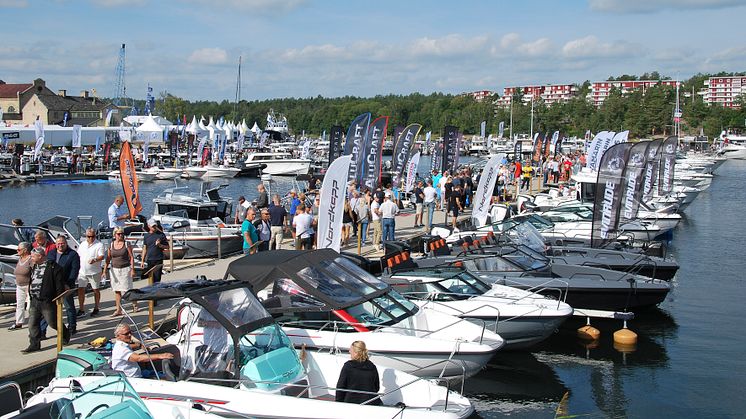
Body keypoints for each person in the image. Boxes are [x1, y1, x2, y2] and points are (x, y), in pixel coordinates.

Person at [21, 248, 70, 353]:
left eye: (34, 256)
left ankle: (65, 333)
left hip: (47, 301)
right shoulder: (34, 266)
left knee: (52, 322)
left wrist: (59, 297)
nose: (31, 258)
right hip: (35, 300)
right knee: (32, 323)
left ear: (40, 256)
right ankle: (34, 344)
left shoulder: (54, 267)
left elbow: (59, 285)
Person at [48, 235, 80, 335]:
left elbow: (74, 271)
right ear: (55, 244)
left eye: (62, 243)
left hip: (66, 285)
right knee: (48, 308)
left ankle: (72, 327)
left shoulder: (72, 254)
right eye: (58, 244)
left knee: (69, 307)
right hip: (52, 285)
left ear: (66, 243)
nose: (60, 245)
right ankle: (43, 331)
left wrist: (68, 284)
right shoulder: (51, 253)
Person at [335, 341, 381, 405]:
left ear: (355, 352)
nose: (349, 352)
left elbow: (340, 387)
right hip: (371, 403)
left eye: (350, 350)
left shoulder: (348, 366)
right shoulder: (372, 366)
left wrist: (338, 403)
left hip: (352, 403)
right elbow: (376, 387)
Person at [103, 227, 137, 316]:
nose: (120, 235)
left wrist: (132, 269)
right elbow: (108, 257)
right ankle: (118, 309)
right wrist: (104, 270)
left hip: (125, 269)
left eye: (122, 233)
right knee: (117, 290)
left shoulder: (126, 244)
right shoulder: (111, 245)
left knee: (127, 289)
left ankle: (134, 303)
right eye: (118, 234)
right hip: (115, 269)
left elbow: (131, 257)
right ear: (115, 235)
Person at [76, 228, 104, 317]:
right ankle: (81, 309)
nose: (91, 238)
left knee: (95, 290)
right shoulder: (82, 244)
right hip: (82, 271)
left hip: (94, 272)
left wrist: (95, 259)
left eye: (92, 236)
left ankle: (96, 307)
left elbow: (102, 256)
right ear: (86, 236)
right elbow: (78, 255)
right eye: (89, 236)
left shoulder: (99, 244)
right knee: (80, 289)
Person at [9, 242, 32, 331]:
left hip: (28, 285)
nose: (17, 251)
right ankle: (19, 322)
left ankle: (32, 321)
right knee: (19, 305)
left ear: (25, 250)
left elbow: (34, 272)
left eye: (19, 249)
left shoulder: (30, 259)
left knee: (30, 306)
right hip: (19, 286)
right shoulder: (20, 259)